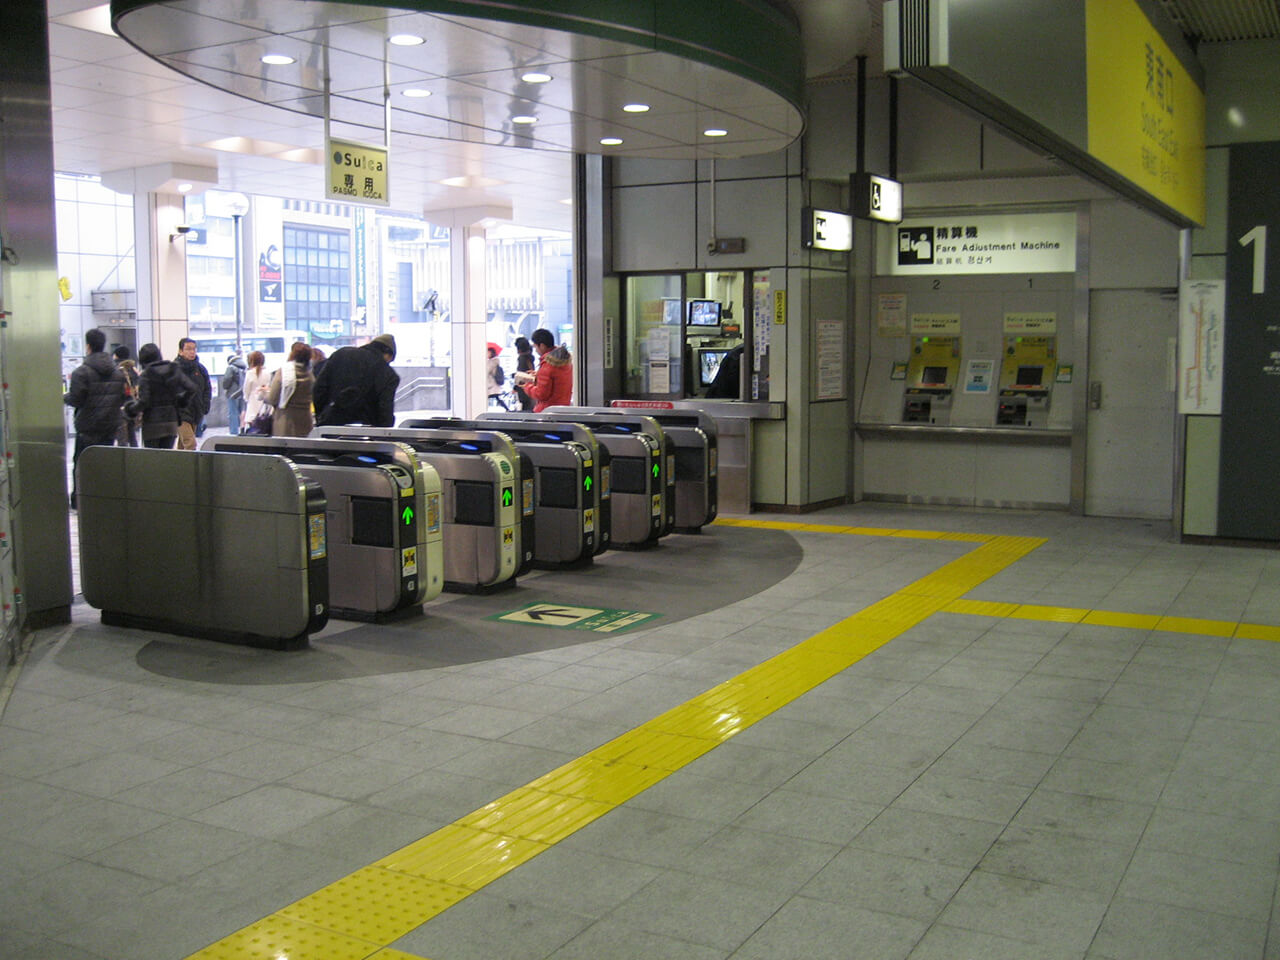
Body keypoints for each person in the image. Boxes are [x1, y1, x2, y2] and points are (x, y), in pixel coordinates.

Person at [64, 328, 126, 508]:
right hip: (110, 426)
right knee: (105, 464)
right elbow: (121, 398)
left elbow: (76, 399)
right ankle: (105, 498)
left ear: (88, 346)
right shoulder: (117, 372)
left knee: (82, 465)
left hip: (88, 427)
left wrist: (65, 397)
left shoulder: (81, 373)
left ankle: (80, 500)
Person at [313, 333, 399, 426]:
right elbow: (385, 409)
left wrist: (322, 415)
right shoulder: (388, 374)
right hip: (366, 432)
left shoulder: (341, 354)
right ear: (387, 354)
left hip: (331, 424)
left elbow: (319, 389)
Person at [130, 343, 197, 450]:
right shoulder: (174, 369)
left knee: (153, 460)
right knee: (166, 457)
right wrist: (181, 401)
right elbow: (191, 388)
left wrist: (131, 410)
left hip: (152, 425)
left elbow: (144, 401)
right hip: (171, 422)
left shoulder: (146, 375)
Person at [514, 327, 572, 412]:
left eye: (535, 347)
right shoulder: (565, 362)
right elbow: (557, 380)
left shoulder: (547, 365)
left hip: (546, 412)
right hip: (563, 410)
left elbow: (541, 394)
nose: (536, 351)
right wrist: (538, 375)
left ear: (542, 346)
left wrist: (526, 386)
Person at [266, 341, 316, 437]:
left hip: (285, 420)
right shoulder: (310, 374)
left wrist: (263, 395)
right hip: (305, 419)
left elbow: (273, 398)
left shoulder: (284, 372)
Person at [174, 337, 211, 449]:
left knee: (183, 444)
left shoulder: (200, 369)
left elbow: (207, 389)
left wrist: (205, 405)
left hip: (196, 411)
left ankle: (177, 465)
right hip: (180, 413)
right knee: (190, 443)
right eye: (188, 349)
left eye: (194, 349)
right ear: (181, 351)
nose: (192, 352)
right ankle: (193, 466)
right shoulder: (174, 369)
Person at [112, 345, 140, 447]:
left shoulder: (115, 369)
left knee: (122, 438)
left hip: (119, 407)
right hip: (132, 406)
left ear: (116, 355)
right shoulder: (133, 369)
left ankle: (123, 461)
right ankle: (135, 457)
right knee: (132, 435)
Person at [241, 350, 270, 431]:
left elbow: (246, 389)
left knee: (252, 427)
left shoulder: (250, 373)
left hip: (252, 402)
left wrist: (246, 398)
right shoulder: (268, 372)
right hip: (264, 403)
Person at [221, 351, 247, 435]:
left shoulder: (231, 367)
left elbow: (227, 380)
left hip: (233, 394)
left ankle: (233, 432)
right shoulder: (244, 367)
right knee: (242, 412)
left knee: (233, 413)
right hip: (242, 392)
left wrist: (225, 387)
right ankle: (243, 429)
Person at [512, 336, 535, 410]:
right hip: (531, 388)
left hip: (524, 389)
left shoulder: (522, 358)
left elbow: (521, 375)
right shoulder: (530, 358)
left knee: (525, 410)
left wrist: (515, 387)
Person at [485, 343, 509, 410]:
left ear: (491, 352)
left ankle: (507, 409)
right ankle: (507, 409)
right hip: (493, 385)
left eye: (487, 352)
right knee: (497, 398)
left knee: (489, 397)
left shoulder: (492, 362)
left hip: (492, 385)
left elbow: (487, 371)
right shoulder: (494, 361)